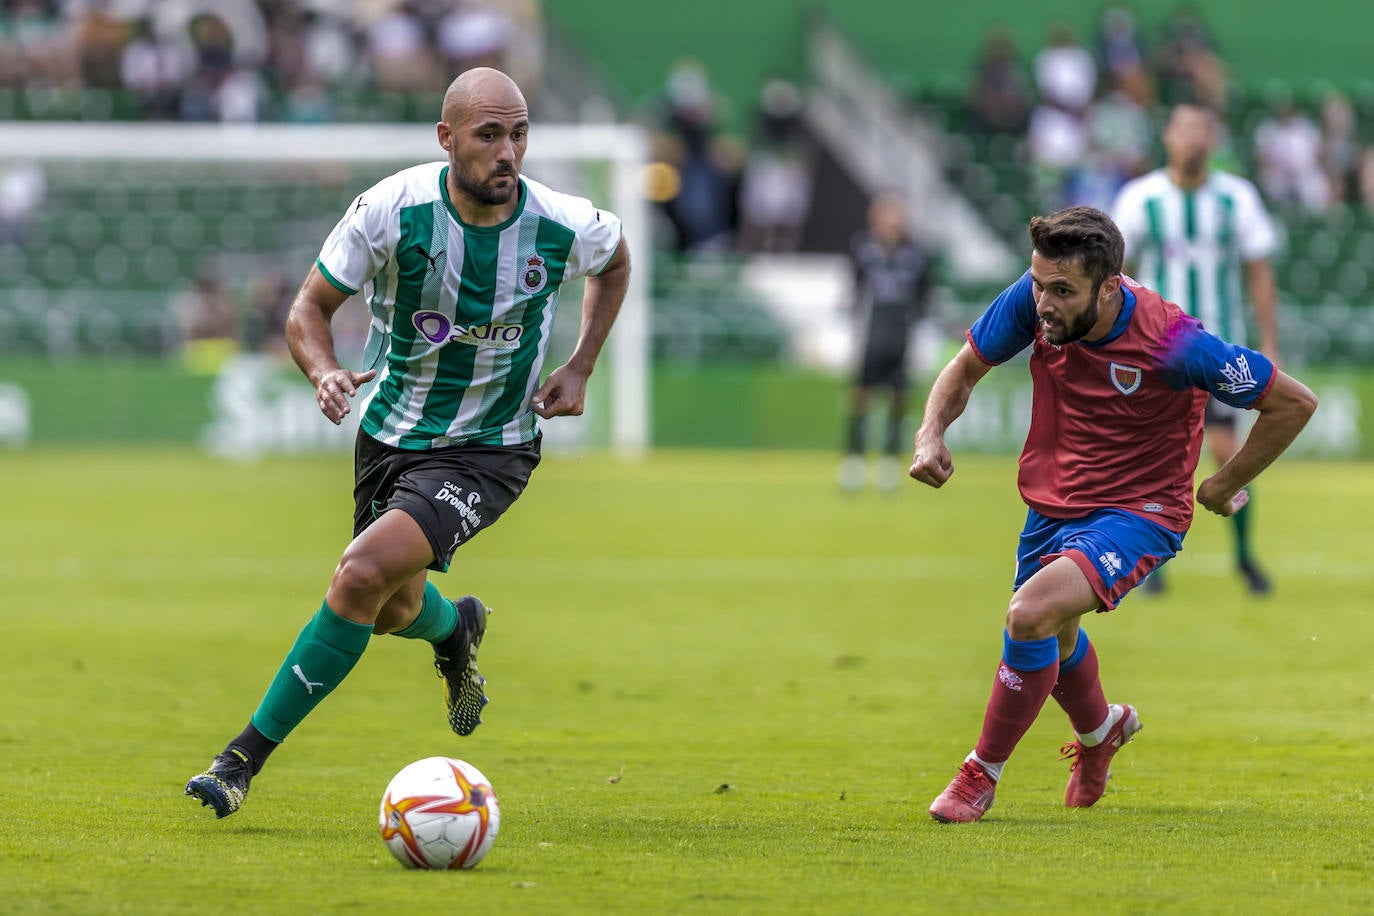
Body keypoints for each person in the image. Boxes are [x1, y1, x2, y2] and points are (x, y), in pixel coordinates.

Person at [185, 67, 630, 818]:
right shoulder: (391, 211)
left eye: (519, 133)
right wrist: (323, 369)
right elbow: (308, 308)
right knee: (391, 607)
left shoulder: (561, 222)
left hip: (491, 449)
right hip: (391, 435)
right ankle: (455, 629)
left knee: (358, 574)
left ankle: (239, 761)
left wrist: (581, 363)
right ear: (446, 138)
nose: (508, 152)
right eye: (490, 135)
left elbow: (615, 262)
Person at [910, 206, 1315, 823]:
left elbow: (1292, 403)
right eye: (1039, 284)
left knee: (1029, 614)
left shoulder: (1174, 342)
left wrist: (1222, 483)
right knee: (1056, 632)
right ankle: (1101, 734)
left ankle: (979, 774)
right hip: (1053, 500)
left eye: (1061, 292)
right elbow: (964, 368)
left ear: (1108, 287)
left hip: (1140, 509)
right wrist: (929, 433)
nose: (1043, 303)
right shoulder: (1038, 296)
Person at [1111, 104, 1281, 595]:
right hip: (1157, 351)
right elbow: (1115, 268)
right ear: (1168, 136)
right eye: (1185, 129)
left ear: (1213, 138)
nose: (1194, 139)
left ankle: (1245, 558)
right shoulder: (1141, 198)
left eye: (1203, 130)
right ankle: (1152, 566)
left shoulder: (1236, 198)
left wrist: (1269, 341)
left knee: (1229, 453)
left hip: (1217, 349)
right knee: (1153, 459)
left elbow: (1259, 271)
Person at [837, 193, 933, 493]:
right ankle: (854, 461)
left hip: (902, 334)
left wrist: (924, 334)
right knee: (860, 395)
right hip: (870, 332)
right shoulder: (863, 249)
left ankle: (890, 462)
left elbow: (924, 298)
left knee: (897, 399)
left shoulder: (915, 255)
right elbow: (853, 292)